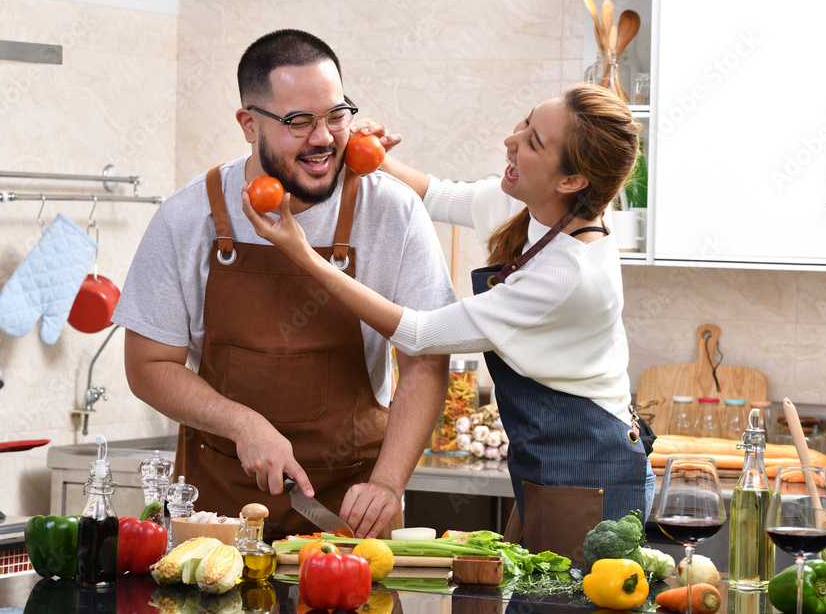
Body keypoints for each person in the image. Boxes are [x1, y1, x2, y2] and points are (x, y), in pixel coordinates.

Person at [241, 83, 654, 561]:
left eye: (533, 141)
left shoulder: (570, 274)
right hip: (547, 466)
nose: (511, 139)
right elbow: (435, 195)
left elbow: (419, 334)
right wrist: (363, 153)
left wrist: (303, 255)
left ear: (571, 181)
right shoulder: (534, 205)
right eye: (525, 121)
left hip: (591, 472)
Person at [113, 29, 455, 540]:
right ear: (249, 125)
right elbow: (148, 366)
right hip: (218, 513)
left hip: (350, 513)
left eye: (336, 116)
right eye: (298, 122)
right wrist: (241, 423)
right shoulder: (188, 216)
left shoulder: (391, 210)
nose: (323, 139)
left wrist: (387, 484)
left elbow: (425, 363)